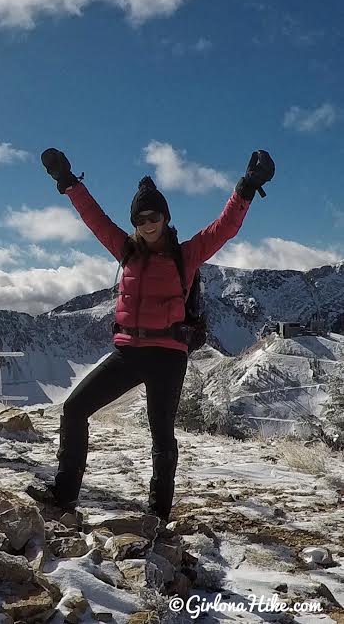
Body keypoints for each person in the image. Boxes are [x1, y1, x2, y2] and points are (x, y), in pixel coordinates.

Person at [37, 147, 275, 521]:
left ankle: (157, 514)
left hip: (167, 354)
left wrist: (247, 186)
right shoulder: (125, 251)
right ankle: (64, 494)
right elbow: (94, 218)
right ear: (134, 222)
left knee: (161, 434)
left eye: (154, 216)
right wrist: (67, 182)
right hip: (128, 352)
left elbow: (224, 227)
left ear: (165, 218)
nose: (148, 224)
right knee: (74, 409)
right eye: (141, 218)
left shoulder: (187, 254)